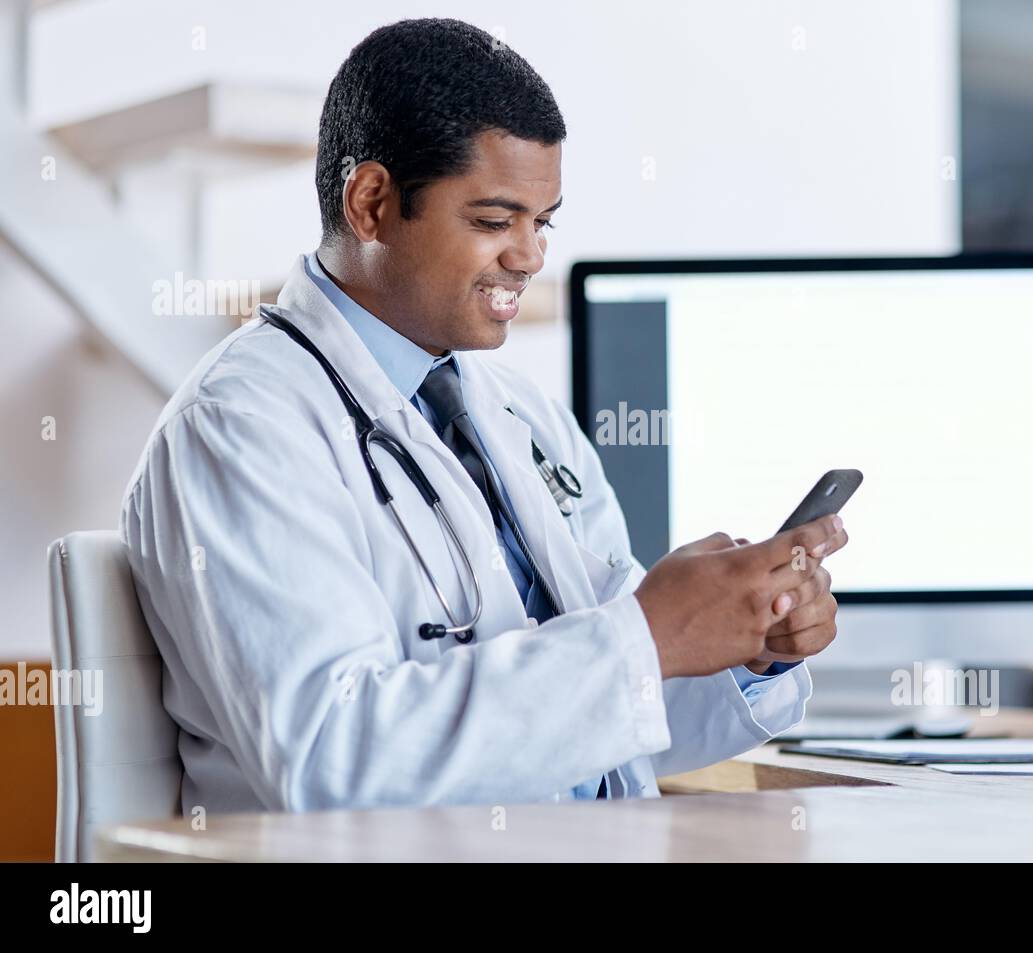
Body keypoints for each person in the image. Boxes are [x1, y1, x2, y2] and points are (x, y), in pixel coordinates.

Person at [122, 18, 848, 813]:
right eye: (495, 221)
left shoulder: (519, 416)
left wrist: (744, 644)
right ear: (371, 202)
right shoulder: (243, 425)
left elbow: (615, 719)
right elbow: (330, 757)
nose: (531, 256)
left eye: (544, 223)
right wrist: (649, 635)